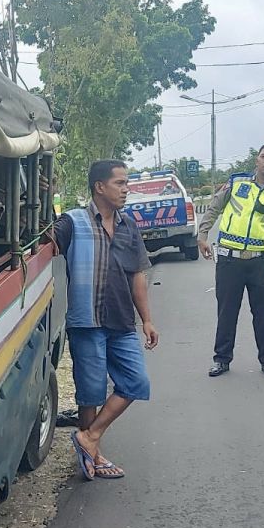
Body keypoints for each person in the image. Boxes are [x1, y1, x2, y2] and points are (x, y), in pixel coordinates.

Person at [50, 160, 160, 480]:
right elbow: (47, 242)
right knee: (91, 392)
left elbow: (138, 275)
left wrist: (147, 320)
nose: (127, 189)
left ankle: (89, 437)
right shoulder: (72, 222)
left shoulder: (129, 226)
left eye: (126, 184)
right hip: (86, 321)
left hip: (122, 320)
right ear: (100, 187)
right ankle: (92, 456)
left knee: (136, 382)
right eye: (120, 184)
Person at [197, 144, 264, 378]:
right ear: (256, 160)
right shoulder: (237, 183)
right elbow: (214, 208)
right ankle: (221, 359)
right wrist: (202, 235)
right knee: (227, 311)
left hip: (260, 262)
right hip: (230, 260)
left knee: (262, 313)